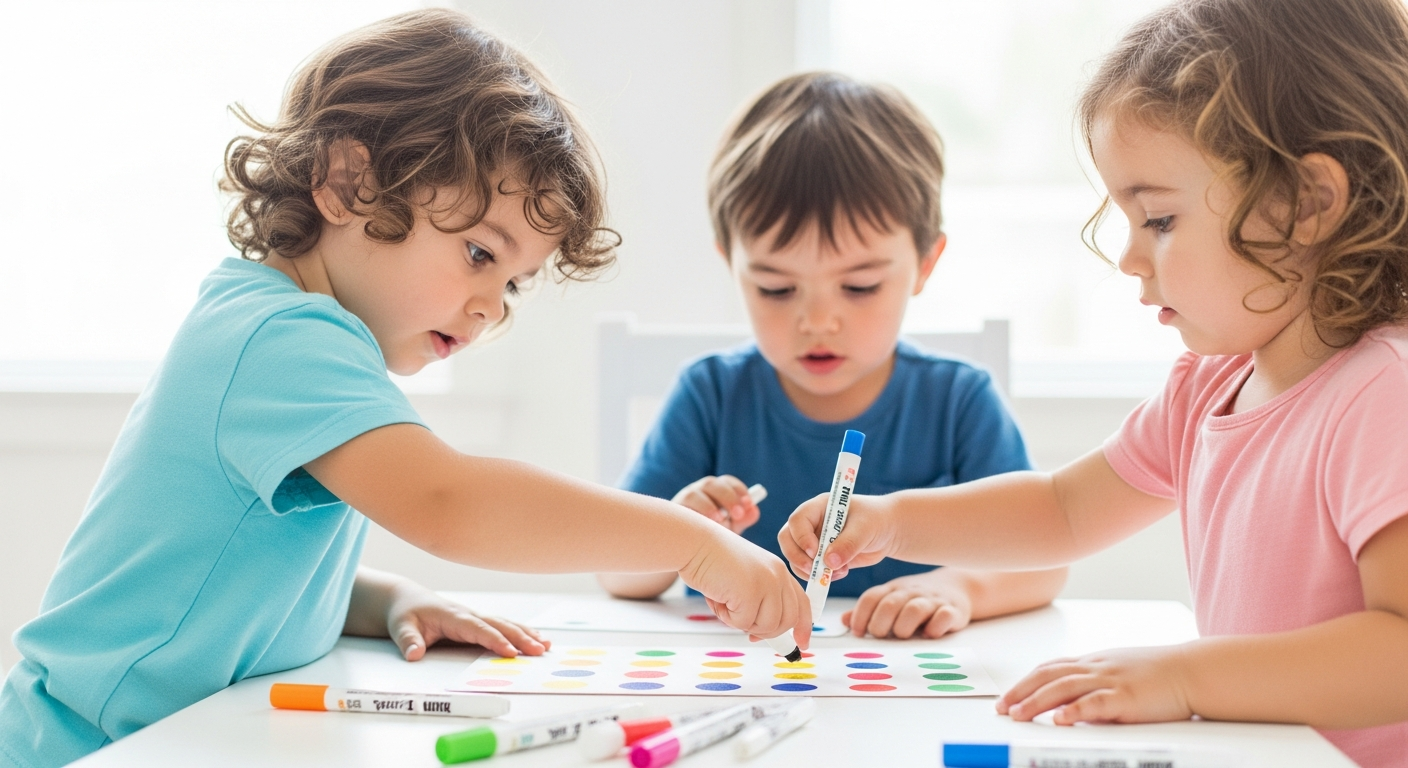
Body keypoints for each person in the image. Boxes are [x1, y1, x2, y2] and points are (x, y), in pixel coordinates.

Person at [0, 11, 808, 768]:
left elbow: (226, 573)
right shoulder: (281, 341)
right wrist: (690, 540)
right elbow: (449, 503)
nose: (492, 307)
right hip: (87, 746)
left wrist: (387, 598)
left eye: (515, 284)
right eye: (482, 255)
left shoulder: (292, 334)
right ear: (348, 184)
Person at [781, 1, 1408, 764]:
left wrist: (1181, 675)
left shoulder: (1384, 395)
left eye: (1160, 220)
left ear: (1306, 203)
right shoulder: (1207, 386)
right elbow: (1064, 509)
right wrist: (891, 522)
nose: (1130, 257)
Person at [598, 72, 1067, 640]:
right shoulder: (711, 396)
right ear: (733, 267)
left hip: (905, 688)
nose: (818, 321)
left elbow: (1045, 561)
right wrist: (677, 533)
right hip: (742, 679)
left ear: (924, 263)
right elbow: (616, 575)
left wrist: (958, 588)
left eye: (861, 286)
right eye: (775, 288)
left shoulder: (957, 402)